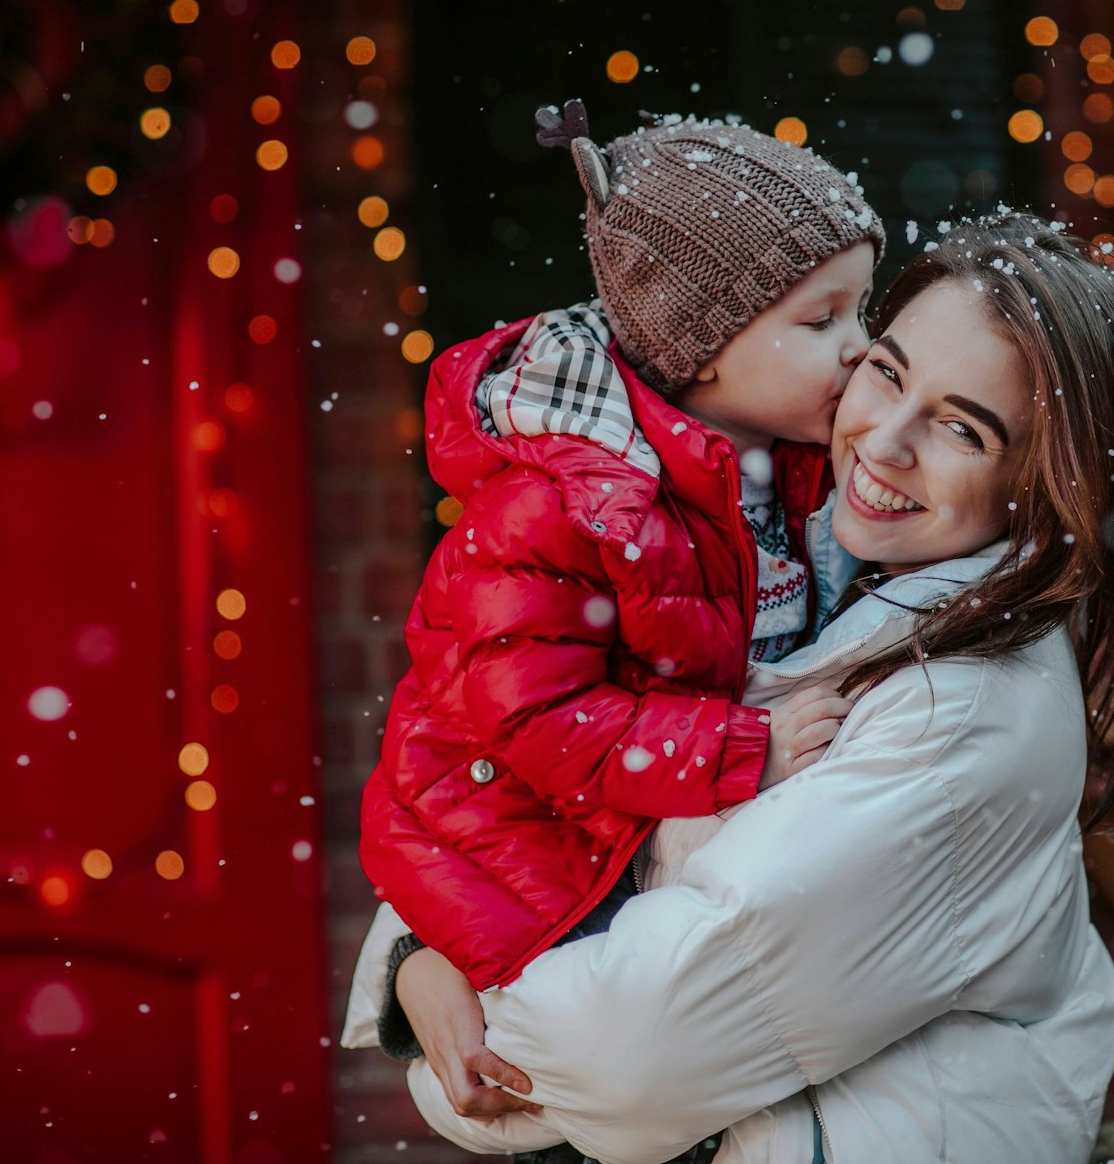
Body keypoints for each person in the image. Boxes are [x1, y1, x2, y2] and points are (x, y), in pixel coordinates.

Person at [345, 212, 1114, 1163]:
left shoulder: (961, 710)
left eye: (962, 427)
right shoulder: (793, 566)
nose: (885, 440)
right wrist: (415, 957)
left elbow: (622, 1056)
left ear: (1048, 483)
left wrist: (461, 1002)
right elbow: (537, 778)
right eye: (887, 372)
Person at [353, 99, 887, 1148]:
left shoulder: (792, 473)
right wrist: (748, 749)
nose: (860, 350)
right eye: (820, 321)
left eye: (862, 311)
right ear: (701, 346)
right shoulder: (564, 502)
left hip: (639, 848)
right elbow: (535, 719)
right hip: (531, 852)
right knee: (583, 1110)